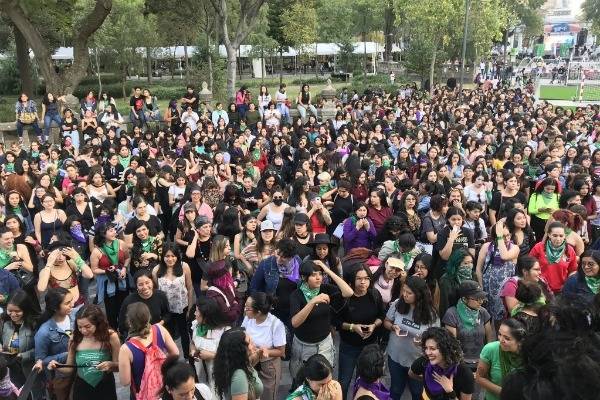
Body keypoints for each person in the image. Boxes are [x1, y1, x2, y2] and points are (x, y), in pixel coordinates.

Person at [383, 276, 439, 400]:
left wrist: (423, 342)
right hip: (395, 356)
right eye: (404, 291)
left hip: (417, 360)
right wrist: (393, 327)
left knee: (417, 392)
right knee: (395, 390)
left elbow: (436, 339)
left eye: (409, 293)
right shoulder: (398, 304)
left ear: (419, 295)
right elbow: (386, 321)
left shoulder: (431, 314)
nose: (405, 295)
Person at [48, 304, 120, 400]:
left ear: (98, 323)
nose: (83, 331)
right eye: (80, 327)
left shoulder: (111, 336)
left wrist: (111, 365)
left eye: (88, 326)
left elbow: (119, 366)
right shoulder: (75, 339)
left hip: (105, 386)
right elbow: (69, 369)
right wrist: (57, 366)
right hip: (82, 387)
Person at [337, 265, 385, 400]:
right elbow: (336, 322)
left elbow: (382, 316)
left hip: (369, 347)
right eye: (359, 279)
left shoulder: (374, 294)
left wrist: (373, 326)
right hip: (349, 346)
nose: (363, 282)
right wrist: (353, 327)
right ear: (352, 280)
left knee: (364, 382)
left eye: (366, 278)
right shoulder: (345, 297)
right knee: (344, 382)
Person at [118, 302, 179, 399]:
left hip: (142, 393)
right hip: (165, 389)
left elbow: (125, 381)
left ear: (129, 322)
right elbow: (175, 353)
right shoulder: (159, 329)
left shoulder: (126, 348)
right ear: (149, 317)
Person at [408, 327, 475, 400]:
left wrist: (450, 391)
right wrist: (425, 379)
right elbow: (411, 373)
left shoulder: (464, 373)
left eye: (432, 348)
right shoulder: (424, 361)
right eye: (426, 348)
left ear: (445, 349)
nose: (427, 353)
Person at [241, 292, 286, 400]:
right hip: (251, 362)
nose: (244, 310)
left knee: (267, 395)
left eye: (247, 308)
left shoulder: (276, 324)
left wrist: (265, 350)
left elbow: (281, 351)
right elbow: (242, 331)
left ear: (258, 312)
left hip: (267, 367)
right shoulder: (248, 318)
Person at [443, 281, 495, 374]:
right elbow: (451, 344)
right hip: (461, 364)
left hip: (481, 362)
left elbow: (490, 339)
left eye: (482, 298)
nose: (481, 301)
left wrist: (485, 361)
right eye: (477, 299)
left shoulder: (483, 312)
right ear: (464, 299)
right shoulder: (452, 314)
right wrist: (462, 366)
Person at [152, 244, 194, 358]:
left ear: (177, 256)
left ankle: (187, 357)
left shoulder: (184, 266)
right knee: (167, 335)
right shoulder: (156, 270)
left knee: (184, 333)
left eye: (173, 256)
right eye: (167, 256)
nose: (170, 259)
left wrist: (190, 308)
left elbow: (189, 287)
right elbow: (156, 290)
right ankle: (171, 358)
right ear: (162, 257)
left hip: (182, 307)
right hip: (166, 310)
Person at [33, 288, 74, 400]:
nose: (72, 305)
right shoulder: (44, 332)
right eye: (67, 303)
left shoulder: (75, 317)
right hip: (62, 377)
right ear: (55, 308)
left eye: (71, 300)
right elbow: (41, 360)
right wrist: (68, 354)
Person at [90, 223, 130, 331]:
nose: (115, 232)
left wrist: (124, 268)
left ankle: (124, 330)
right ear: (103, 234)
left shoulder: (121, 243)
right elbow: (94, 269)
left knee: (124, 307)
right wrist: (106, 270)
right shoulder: (97, 251)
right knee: (111, 310)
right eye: (111, 230)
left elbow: (127, 257)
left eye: (114, 230)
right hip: (108, 281)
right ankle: (113, 331)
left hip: (122, 278)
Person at [0, 289, 40, 395]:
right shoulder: (4, 321)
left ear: (25, 309)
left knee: (32, 392)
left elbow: (40, 349)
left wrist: (23, 355)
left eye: (17, 311)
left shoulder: (34, 324)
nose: (13, 314)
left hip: (28, 367)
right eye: (10, 311)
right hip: (10, 367)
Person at [476, 319, 526, 400]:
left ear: (519, 341)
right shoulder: (490, 349)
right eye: (499, 334)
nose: (501, 340)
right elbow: (479, 378)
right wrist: (506, 393)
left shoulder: (529, 355)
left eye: (507, 338)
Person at [190, 296, 230, 392]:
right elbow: (192, 342)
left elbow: (232, 356)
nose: (195, 314)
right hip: (201, 373)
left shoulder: (225, 332)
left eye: (197, 311)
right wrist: (193, 350)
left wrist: (212, 356)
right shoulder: (196, 325)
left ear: (206, 316)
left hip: (219, 376)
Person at [213, 327, 264, 400]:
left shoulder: (235, 364)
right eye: (249, 341)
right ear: (240, 349)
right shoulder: (239, 375)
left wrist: (259, 354)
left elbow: (249, 363)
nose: (253, 342)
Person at [118, 270, 171, 337]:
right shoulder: (129, 301)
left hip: (157, 332)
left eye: (147, 282)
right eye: (140, 284)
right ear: (136, 286)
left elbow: (167, 314)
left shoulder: (160, 295)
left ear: (152, 282)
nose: (145, 287)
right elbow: (122, 324)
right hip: (137, 336)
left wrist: (158, 325)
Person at [529, 221, 577, 294]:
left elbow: (573, 270)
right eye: (555, 235)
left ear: (565, 236)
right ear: (549, 235)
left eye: (561, 236)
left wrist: (567, 285)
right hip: (540, 289)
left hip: (561, 291)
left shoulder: (570, 251)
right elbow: (529, 265)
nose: (558, 239)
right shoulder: (539, 247)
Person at [439, 249, 476, 319]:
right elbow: (444, 305)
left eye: (471, 262)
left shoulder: (473, 276)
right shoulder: (446, 279)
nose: (469, 266)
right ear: (457, 264)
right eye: (466, 263)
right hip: (453, 316)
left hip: (471, 316)